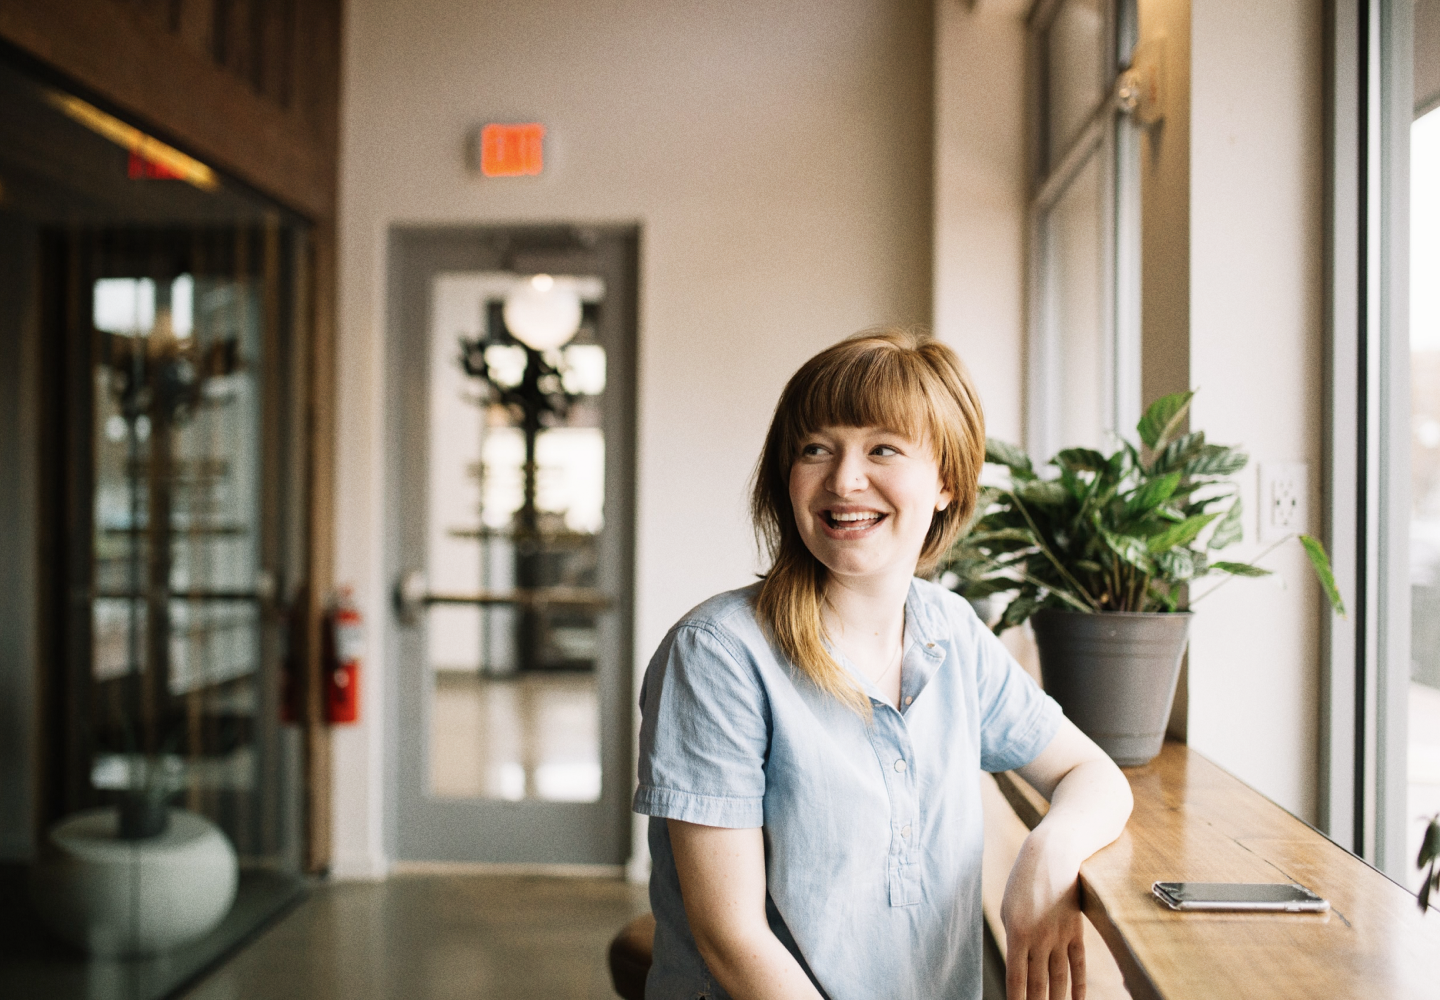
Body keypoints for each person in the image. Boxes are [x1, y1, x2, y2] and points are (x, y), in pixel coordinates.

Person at [634, 329, 1133, 1000]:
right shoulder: (717, 654)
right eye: (816, 449)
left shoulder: (950, 631)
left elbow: (1091, 773)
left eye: (883, 449)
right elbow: (733, 940)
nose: (843, 480)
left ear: (946, 483)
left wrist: (1048, 853)